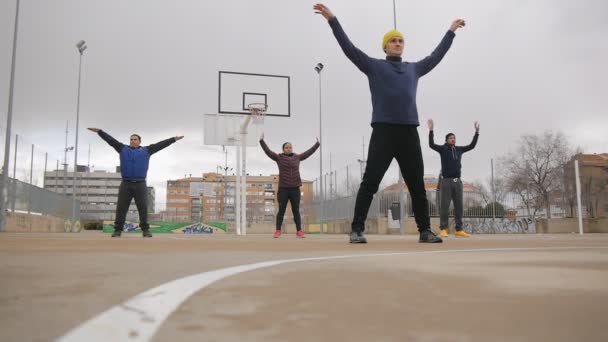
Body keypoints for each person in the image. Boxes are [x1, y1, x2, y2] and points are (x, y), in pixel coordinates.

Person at [313, 3, 465, 243]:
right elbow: (349, 48)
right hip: (383, 131)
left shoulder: (414, 69)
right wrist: (333, 20)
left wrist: (450, 32)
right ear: (385, 46)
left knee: (416, 184)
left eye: (400, 41)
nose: (397, 43)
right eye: (393, 40)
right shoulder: (374, 66)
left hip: (409, 132)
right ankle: (356, 229)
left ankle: (425, 230)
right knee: (370, 182)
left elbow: (436, 56)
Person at [88, 128, 183, 238]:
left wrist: (174, 139)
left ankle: (145, 230)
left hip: (140, 184)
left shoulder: (147, 150)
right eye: (131, 139)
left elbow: (161, 144)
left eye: (135, 139)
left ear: (139, 141)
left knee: (143, 208)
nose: (133, 141)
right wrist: (100, 132)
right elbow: (110, 140)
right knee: (121, 208)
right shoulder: (122, 148)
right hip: (126, 184)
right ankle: (118, 230)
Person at [260, 133, 320, 238]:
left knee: (296, 210)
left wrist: (317, 144)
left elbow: (308, 153)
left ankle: (299, 231)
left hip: (295, 189)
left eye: (290, 147)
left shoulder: (297, 157)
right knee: (281, 210)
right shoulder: (279, 158)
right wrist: (262, 141)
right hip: (283, 189)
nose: (289, 149)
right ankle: (278, 230)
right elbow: (268, 152)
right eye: (287, 147)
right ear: (283, 149)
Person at [428, 119, 479, 238]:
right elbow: (431, 145)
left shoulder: (460, 149)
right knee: (444, 206)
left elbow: (472, 146)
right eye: (451, 137)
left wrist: (476, 132)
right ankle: (443, 229)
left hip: (458, 182)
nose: (453, 139)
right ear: (446, 140)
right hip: (446, 181)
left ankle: (459, 229)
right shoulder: (442, 149)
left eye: (454, 137)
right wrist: (431, 130)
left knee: (459, 206)